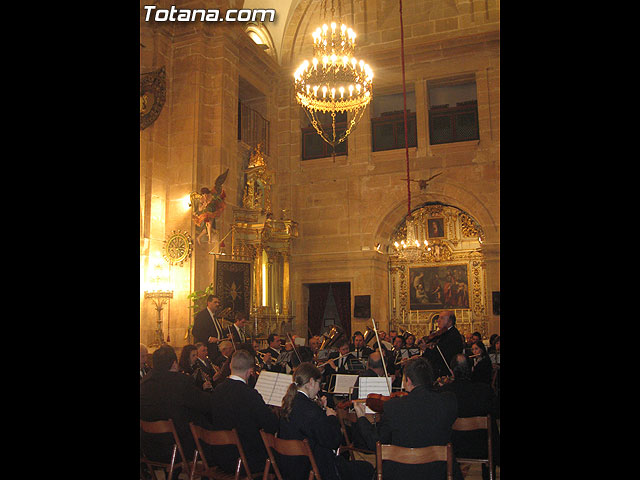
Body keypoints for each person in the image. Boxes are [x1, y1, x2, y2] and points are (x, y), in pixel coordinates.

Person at [353, 357, 462, 480]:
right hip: (439, 473)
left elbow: (375, 443)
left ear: (408, 381)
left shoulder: (393, 406)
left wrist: (361, 417)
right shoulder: (449, 401)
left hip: (400, 473)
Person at [278, 362, 375, 480]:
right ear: (311, 382)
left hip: (290, 468)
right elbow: (333, 441)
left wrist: (321, 410)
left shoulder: (289, 403)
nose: (319, 388)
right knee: (367, 468)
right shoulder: (311, 410)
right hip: (313, 470)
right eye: (319, 384)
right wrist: (331, 417)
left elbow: (310, 426)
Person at [140, 344, 213, 476]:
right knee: (208, 431)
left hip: (148, 446)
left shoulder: (144, 383)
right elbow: (206, 404)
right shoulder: (181, 381)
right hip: (178, 447)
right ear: (174, 363)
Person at [206, 349, 279, 475]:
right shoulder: (250, 394)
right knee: (282, 460)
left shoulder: (218, 390)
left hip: (220, 456)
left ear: (230, 366)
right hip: (245, 459)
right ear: (250, 372)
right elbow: (271, 426)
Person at [439, 354, 500, 480]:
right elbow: (496, 412)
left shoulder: (444, 392)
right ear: (472, 369)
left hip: (452, 447)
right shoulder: (484, 391)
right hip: (481, 447)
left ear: (451, 372)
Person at [422, 310, 464, 379]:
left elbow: (440, 356)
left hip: (446, 374)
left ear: (450, 322)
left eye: (441, 318)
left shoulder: (452, 335)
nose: (438, 320)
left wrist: (426, 350)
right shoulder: (445, 333)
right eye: (439, 318)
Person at [192, 295, 226, 360]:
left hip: (217, 350)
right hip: (208, 349)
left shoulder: (214, 316)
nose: (217, 304)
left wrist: (226, 335)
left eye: (218, 302)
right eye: (215, 302)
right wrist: (209, 338)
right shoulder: (202, 315)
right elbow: (195, 331)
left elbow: (217, 331)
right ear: (208, 303)